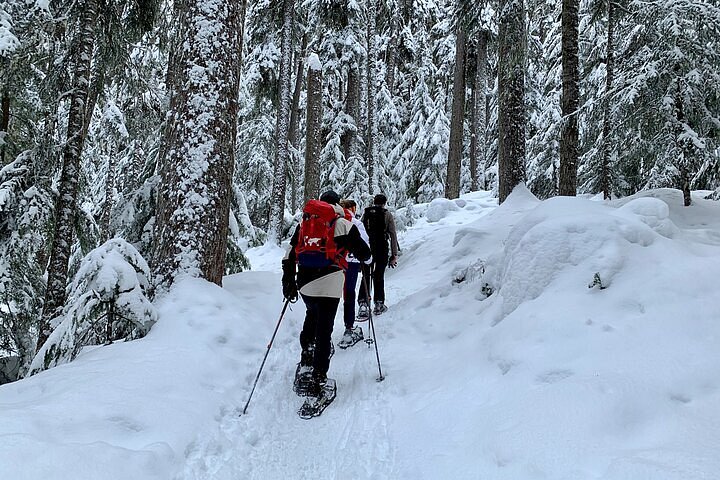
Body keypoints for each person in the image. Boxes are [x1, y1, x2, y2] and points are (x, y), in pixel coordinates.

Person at [282, 190, 371, 397]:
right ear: (337, 204)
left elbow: (289, 255)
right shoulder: (342, 223)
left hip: (304, 283)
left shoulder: (304, 225)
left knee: (311, 314)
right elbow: (365, 254)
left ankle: (307, 356)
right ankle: (319, 377)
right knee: (324, 329)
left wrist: (288, 281)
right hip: (330, 283)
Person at [338, 199, 372, 348]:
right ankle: (349, 328)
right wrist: (367, 258)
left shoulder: (335, 221)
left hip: (335, 263)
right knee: (349, 293)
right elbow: (365, 242)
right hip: (351, 263)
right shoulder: (355, 223)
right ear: (352, 208)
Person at [359, 193, 399, 316]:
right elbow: (393, 235)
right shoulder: (387, 215)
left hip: (367, 249)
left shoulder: (366, 213)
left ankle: (363, 304)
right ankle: (379, 303)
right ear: (384, 203)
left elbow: (360, 230)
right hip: (381, 249)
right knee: (379, 275)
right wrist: (394, 254)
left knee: (366, 275)